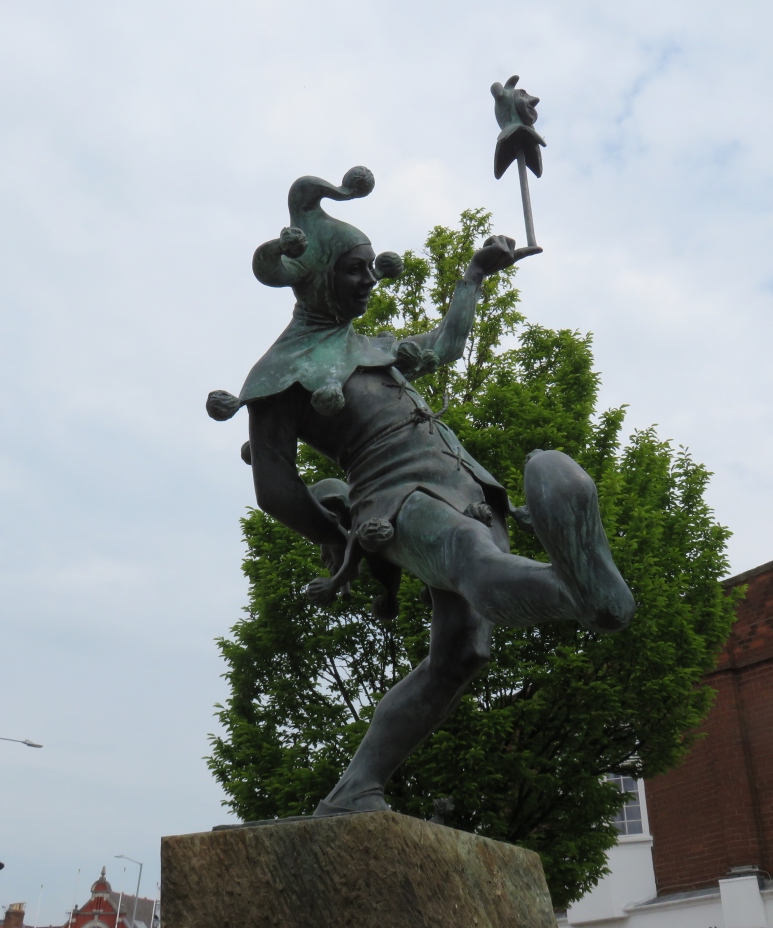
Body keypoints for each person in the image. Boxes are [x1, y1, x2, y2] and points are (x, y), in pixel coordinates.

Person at [207, 167, 634, 815]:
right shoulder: (279, 375)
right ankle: (581, 591)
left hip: (465, 485)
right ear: (317, 275)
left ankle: (353, 791)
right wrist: (337, 536)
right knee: (473, 560)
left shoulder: (371, 348)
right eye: (354, 270)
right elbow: (274, 486)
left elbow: (446, 346)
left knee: (461, 655)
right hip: (396, 502)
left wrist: (474, 276)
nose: (369, 281)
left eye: (370, 268)